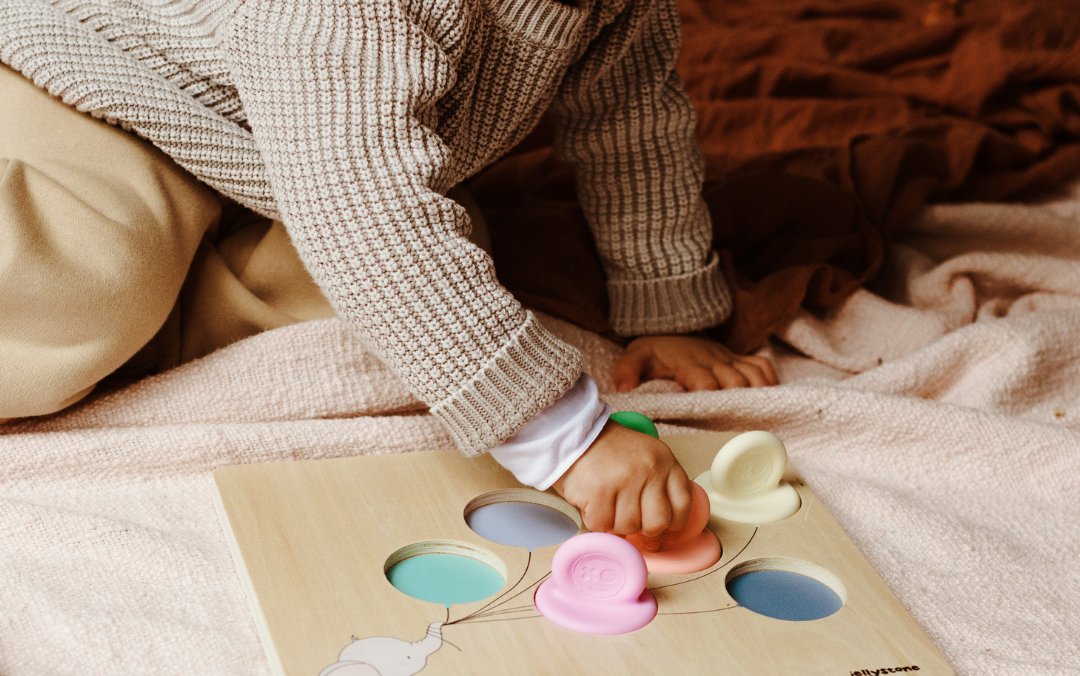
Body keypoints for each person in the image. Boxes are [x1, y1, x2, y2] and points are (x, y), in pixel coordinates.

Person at [0, 0, 776, 545]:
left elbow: (633, 125)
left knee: (396, 301)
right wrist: (563, 435)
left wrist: (669, 306)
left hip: (295, 155)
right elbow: (362, 196)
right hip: (100, 92)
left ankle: (167, 310)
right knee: (88, 287)